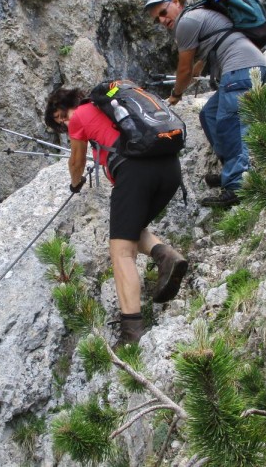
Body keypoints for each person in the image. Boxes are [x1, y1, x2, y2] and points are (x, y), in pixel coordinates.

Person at [44, 86, 188, 347]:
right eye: (60, 123)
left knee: (121, 251)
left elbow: (76, 163)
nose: (64, 123)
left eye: (61, 116)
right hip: (169, 167)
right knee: (130, 230)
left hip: (135, 172)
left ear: (70, 104)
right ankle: (166, 256)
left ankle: (132, 332)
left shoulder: (81, 116)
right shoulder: (117, 110)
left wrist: (75, 184)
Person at [144, 0, 266, 208]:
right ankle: (232, 171)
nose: (162, 21)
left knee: (229, 124)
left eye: (163, 13)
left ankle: (237, 185)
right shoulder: (198, 17)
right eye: (157, 19)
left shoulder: (186, 22)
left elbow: (184, 71)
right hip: (245, 67)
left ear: (176, 2)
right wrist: (193, 74)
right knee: (209, 114)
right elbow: (196, 67)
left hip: (241, 69)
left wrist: (175, 96)